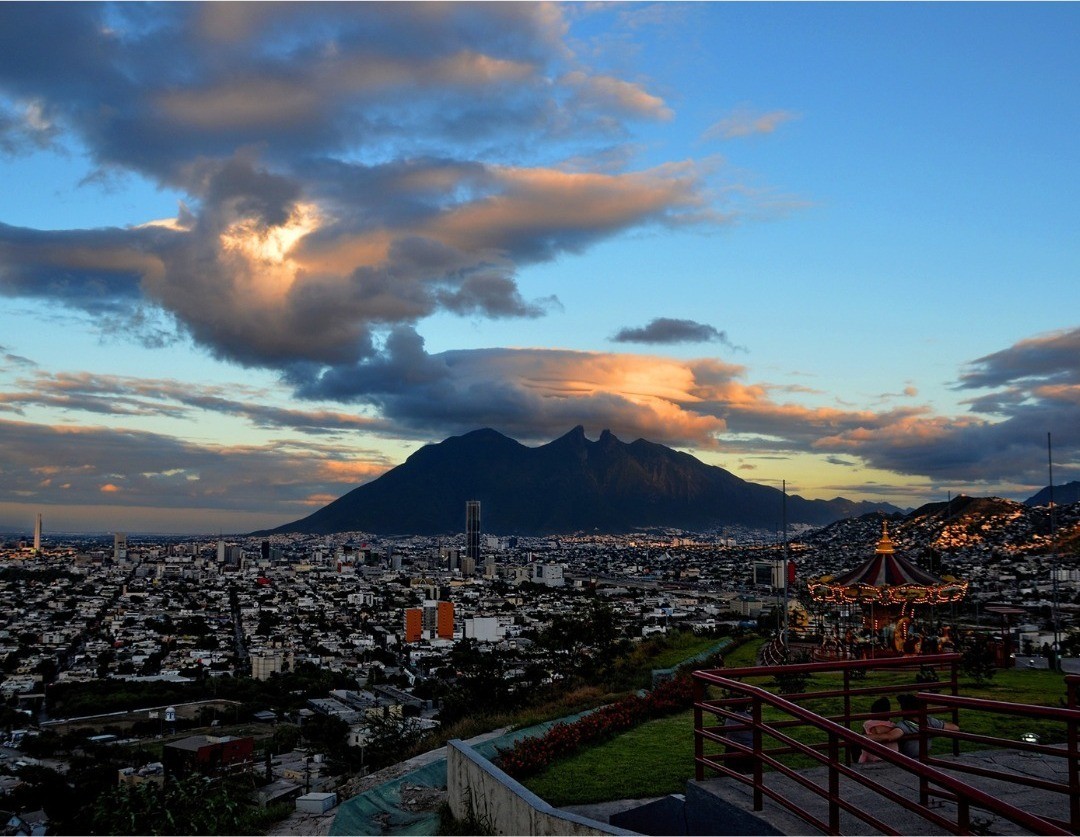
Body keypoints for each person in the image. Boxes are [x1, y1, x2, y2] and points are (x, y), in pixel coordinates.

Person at [894, 692, 959, 758]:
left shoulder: (903, 725)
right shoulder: (929, 721)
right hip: (921, 756)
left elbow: (890, 737)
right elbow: (955, 728)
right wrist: (933, 732)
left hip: (907, 759)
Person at [856, 697, 903, 763]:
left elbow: (862, 739)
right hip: (893, 756)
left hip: (872, 757)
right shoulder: (893, 725)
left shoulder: (868, 724)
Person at [722, 702, 755, 773]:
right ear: (746, 706)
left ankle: (729, 769)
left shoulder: (730, 719)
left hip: (734, 747)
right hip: (749, 746)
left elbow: (727, 735)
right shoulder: (750, 718)